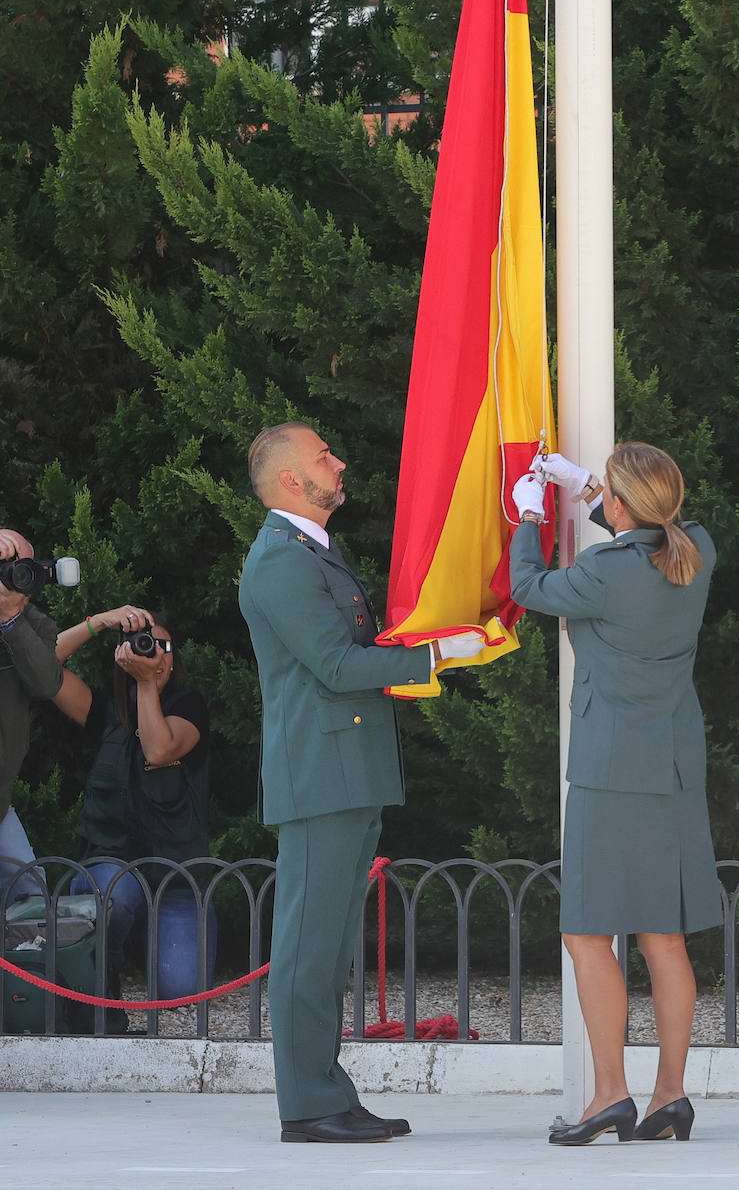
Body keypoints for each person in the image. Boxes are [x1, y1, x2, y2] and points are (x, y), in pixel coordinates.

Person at [238, 422, 483, 1145]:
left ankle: (327, 1094)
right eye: (323, 456)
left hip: (342, 770)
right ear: (290, 480)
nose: (338, 462)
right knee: (309, 948)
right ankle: (308, 1105)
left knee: (328, 945)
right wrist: (436, 655)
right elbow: (337, 666)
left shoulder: (309, 551)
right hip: (322, 774)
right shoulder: (283, 561)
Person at [509, 443, 722, 1146]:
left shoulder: (603, 572)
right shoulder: (699, 550)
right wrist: (597, 494)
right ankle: (670, 1097)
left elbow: (528, 585)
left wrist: (528, 516)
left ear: (622, 505)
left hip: (609, 770)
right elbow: (650, 534)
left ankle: (609, 1096)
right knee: (664, 935)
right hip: (673, 766)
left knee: (586, 932)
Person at [54, 603, 215, 1026]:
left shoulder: (190, 706)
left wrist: (146, 684)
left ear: (175, 657)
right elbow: (41, 667)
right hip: (113, 866)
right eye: (143, 644)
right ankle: (102, 982)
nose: (154, 654)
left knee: (182, 988)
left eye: (163, 646)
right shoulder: (107, 712)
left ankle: (144, 941)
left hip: (175, 875)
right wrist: (99, 622)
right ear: (123, 655)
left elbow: (158, 749)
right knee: (113, 895)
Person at [0, 527, 64, 902]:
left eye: (19, 567)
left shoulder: (36, 626)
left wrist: (11, 620)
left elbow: (46, 684)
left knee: (31, 892)